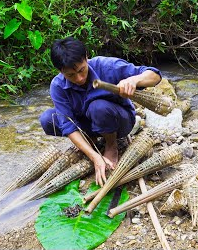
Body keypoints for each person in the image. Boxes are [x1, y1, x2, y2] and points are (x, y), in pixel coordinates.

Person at [39, 37, 162, 186]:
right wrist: (94, 157)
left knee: (98, 107)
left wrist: (134, 80)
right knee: (48, 119)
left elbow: (155, 76)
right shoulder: (57, 86)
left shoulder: (107, 66)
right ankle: (90, 140)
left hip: (119, 122)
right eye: (71, 75)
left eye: (81, 70)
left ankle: (111, 144)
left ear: (86, 57)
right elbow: (67, 125)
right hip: (88, 124)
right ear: (61, 71)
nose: (79, 78)